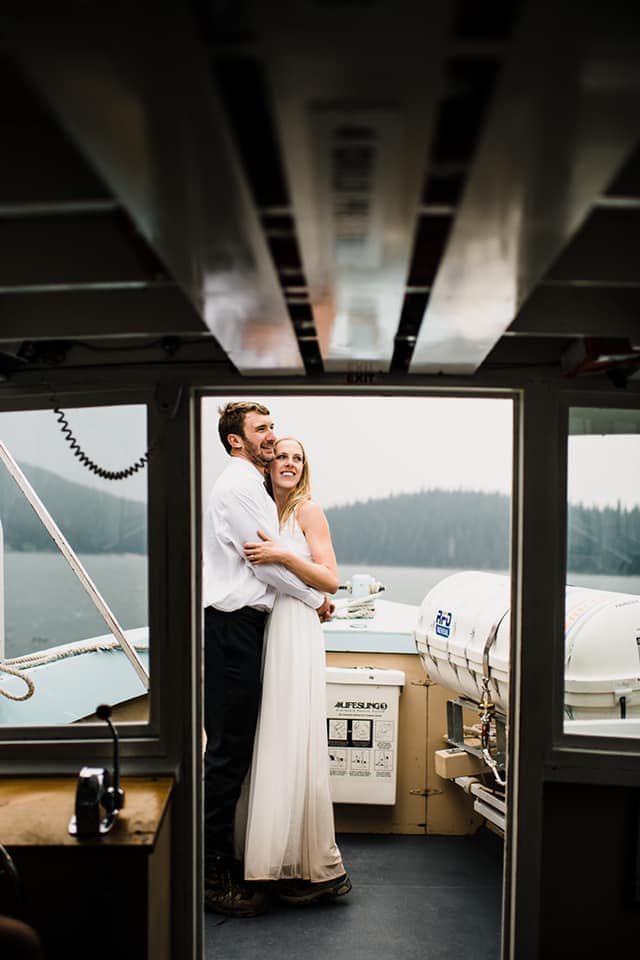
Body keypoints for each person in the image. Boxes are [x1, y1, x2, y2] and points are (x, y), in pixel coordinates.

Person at [203, 402, 333, 918]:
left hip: (249, 628)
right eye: (261, 430)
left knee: (239, 746)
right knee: (228, 751)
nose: (271, 437)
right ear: (236, 440)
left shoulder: (254, 487)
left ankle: (234, 859)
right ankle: (214, 874)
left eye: (272, 428)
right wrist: (315, 597)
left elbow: (279, 564)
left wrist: (308, 592)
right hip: (233, 628)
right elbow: (268, 567)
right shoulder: (239, 488)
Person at [239, 436, 351, 903]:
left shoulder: (308, 511)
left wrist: (285, 555)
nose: (289, 463)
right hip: (266, 624)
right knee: (269, 733)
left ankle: (309, 863)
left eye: (297, 458)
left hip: (297, 628)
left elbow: (331, 579)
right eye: (281, 456)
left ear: (304, 468)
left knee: (293, 731)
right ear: (268, 465)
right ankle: (269, 854)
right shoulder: (262, 509)